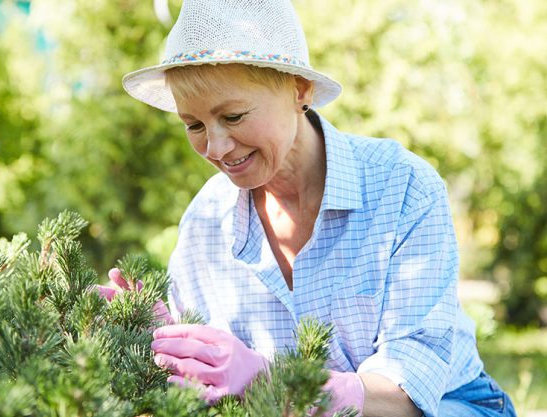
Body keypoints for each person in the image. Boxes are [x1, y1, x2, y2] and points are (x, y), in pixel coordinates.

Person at [101, 0, 517, 416]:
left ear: (299, 89)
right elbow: (211, 386)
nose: (215, 147)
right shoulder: (206, 221)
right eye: (193, 125)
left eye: (233, 116)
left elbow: (405, 398)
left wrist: (265, 378)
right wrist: (167, 337)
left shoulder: (403, 187)